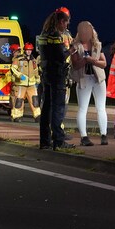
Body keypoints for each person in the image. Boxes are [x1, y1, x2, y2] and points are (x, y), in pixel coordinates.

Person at [36, 8, 74, 149]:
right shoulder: (55, 36)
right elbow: (61, 56)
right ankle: (58, 140)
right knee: (58, 108)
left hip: (46, 74)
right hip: (57, 74)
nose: (66, 26)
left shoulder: (43, 35)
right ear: (60, 21)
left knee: (46, 108)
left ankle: (44, 141)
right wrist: (71, 50)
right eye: (65, 23)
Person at [70, 21, 108, 146]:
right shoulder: (75, 46)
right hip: (84, 78)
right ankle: (84, 136)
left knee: (101, 108)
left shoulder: (97, 45)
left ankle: (104, 135)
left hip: (98, 79)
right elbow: (75, 65)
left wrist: (93, 61)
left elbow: (104, 63)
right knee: (83, 108)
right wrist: (85, 60)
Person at [10, 42, 41, 123]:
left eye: (30, 50)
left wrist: (37, 78)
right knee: (19, 101)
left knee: (35, 101)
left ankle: (37, 115)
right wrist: (20, 75)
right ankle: (17, 116)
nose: (28, 52)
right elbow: (13, 69)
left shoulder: (33, 60)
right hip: (21, 84)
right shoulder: (18, 59)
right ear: (24, 50)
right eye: (27, 50)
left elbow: (35, 70)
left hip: (31, 84)